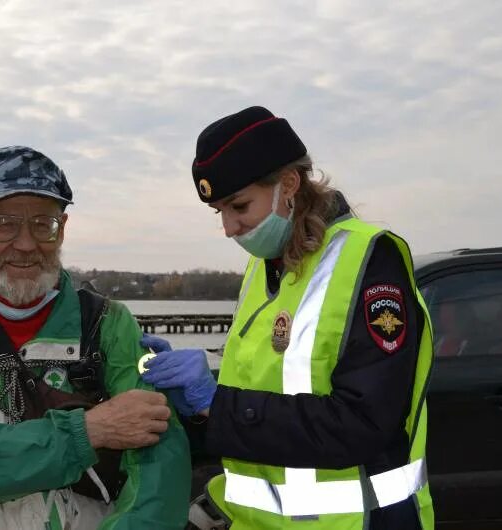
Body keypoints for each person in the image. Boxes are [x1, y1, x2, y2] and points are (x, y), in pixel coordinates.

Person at [140, 106, 435, 529]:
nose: (229, 227)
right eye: (219, 212)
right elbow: (260, 390)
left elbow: (363, 423)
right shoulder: (262, 271)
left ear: (290, 185)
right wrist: (196, 404)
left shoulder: (369, 260)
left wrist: (218, 404)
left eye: (239, 206)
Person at [0, 146, 190, 530]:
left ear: (61, 229)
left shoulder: (108, 323)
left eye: (42, 224)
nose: (27, 244)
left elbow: (159, 465)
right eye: (3, 224)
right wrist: (88, 431)